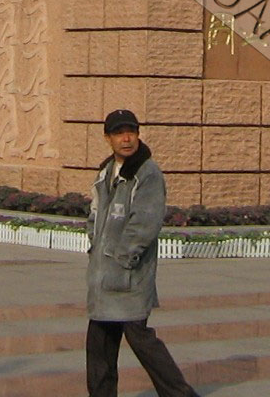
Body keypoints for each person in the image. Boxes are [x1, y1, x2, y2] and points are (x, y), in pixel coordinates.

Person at [85, 109, 199, 397]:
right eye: (119, 133)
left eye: (131, 132)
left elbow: (145, 222)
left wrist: (123, 259)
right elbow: (95, 213)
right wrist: (95, 246)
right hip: (102, 275)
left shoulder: (147, 173)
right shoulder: (106, 171)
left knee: (141, 340)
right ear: (108, 138)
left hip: (129, 275)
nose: (126, 138)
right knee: (99, 344)